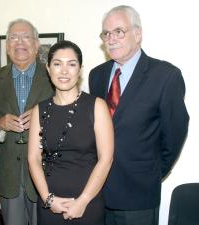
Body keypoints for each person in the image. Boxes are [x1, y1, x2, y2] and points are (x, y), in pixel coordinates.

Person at [89, 5, 190, 225]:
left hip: (138, 195)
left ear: (138, 34)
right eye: (106, 33)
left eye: (118, 31)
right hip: (98, 192)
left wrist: (153, 173)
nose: (111, 39)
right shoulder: (96, 75)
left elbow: (175, 133)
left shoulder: (166, 76)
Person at [28, 40, 114, 225]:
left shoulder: (97, 106)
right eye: (57, 64)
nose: (64, 71)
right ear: (48, 69)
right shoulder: (39, 110)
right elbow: (33, 158)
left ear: (80, 69)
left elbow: (106, 159)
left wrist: (83, 201)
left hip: (88, 203)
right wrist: (48, 199)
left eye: (71, 64)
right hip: (50, 204)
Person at [0, 18, 54, 225]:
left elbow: (69, 117)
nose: (19, 42)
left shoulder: (54, 76)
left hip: (47, 172)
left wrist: (44, 119)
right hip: (8, 174)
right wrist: (0, 125)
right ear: (7, 46)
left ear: (37, 44)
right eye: (13, 37)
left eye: (25, 37)